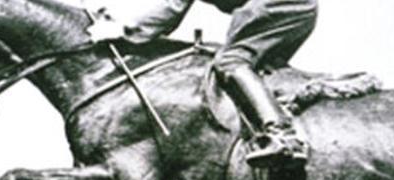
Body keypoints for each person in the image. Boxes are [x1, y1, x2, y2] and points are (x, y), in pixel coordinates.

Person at [87, 0, 317, 169]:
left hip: (279, 6)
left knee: (231, 61)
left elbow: (171, 8)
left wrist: (124, 30)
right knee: (254, 70)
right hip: (292, 7)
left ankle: (283, 136)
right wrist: (120, 19)